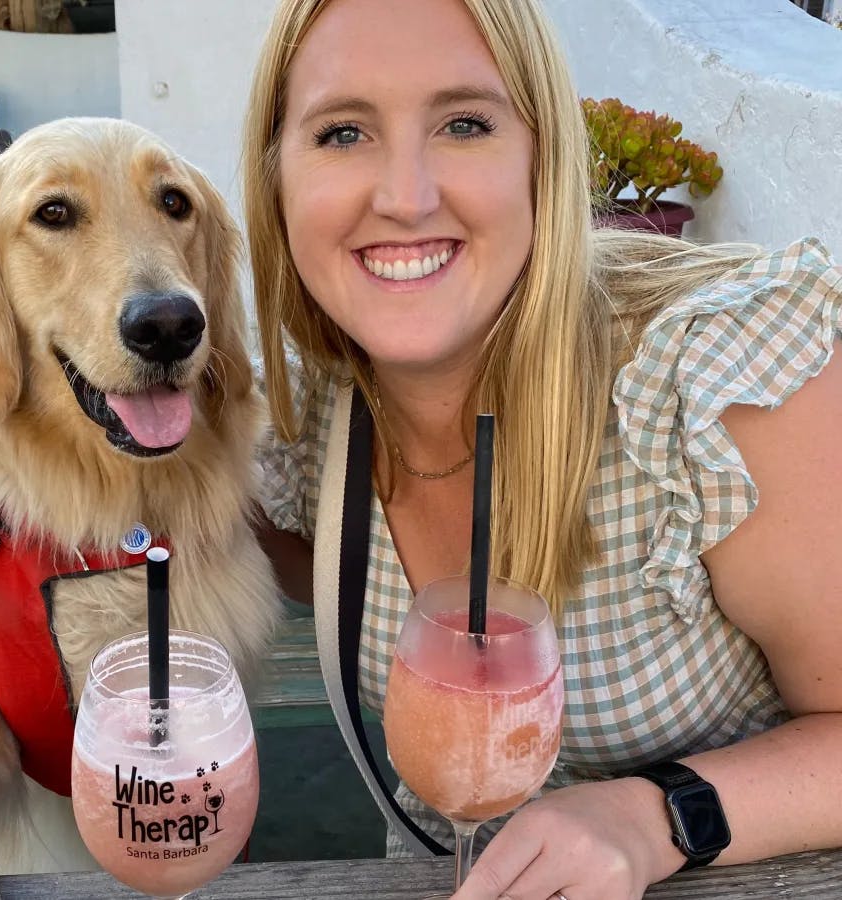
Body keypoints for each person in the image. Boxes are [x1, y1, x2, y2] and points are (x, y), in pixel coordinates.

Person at [241, 0, 842, 898]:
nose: (404, 196)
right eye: (342, 133)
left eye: (465, 123)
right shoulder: (301, 429)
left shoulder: (716, 390)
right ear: (276, 179)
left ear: (543, 159)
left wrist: (657, 816)